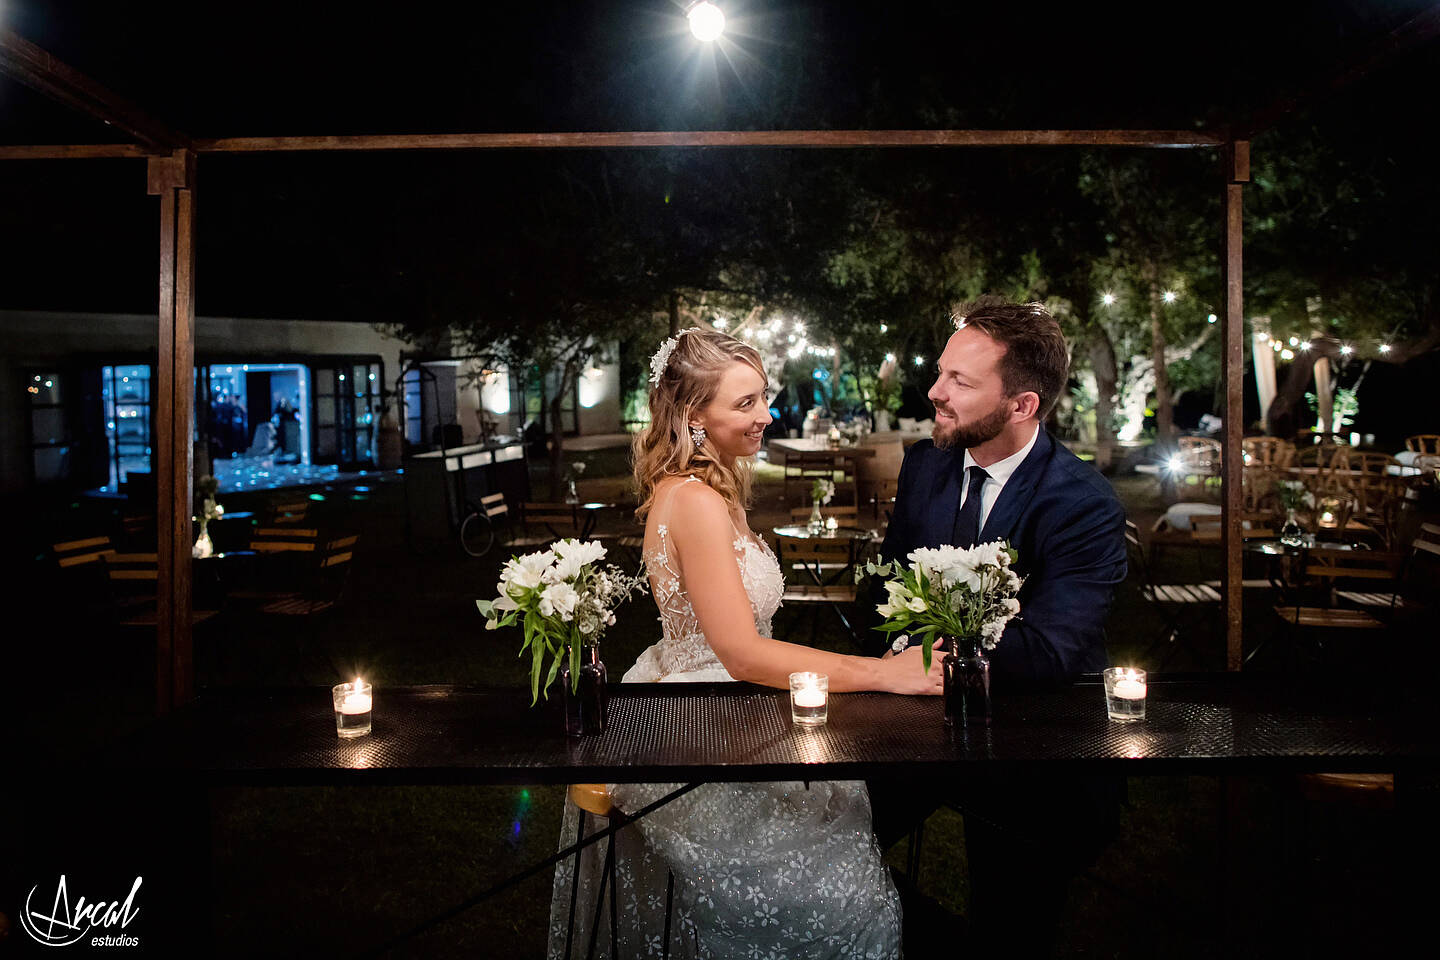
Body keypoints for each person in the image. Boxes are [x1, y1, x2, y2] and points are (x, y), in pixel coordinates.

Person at [546, 328, 942, 960]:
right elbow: (742, 653)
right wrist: (884, 672)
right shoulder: (695, 502)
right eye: (746, 403)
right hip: (706, 712)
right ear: (692, 417)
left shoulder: (713, 491)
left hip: (730, 697)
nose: (766, 415)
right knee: (833, 894)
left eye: (764, 397)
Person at [868, 297, 1128, 952]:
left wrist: (925, 646)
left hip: (1033, 751)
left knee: (1013, 923)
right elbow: (890, 589)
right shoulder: (925, 466)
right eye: (940, 372)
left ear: (1021, 406)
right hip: (914, 730)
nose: (934, 392)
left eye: (960, 381)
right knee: (824, 840)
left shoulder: (1081, 502)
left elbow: (1052, 650)